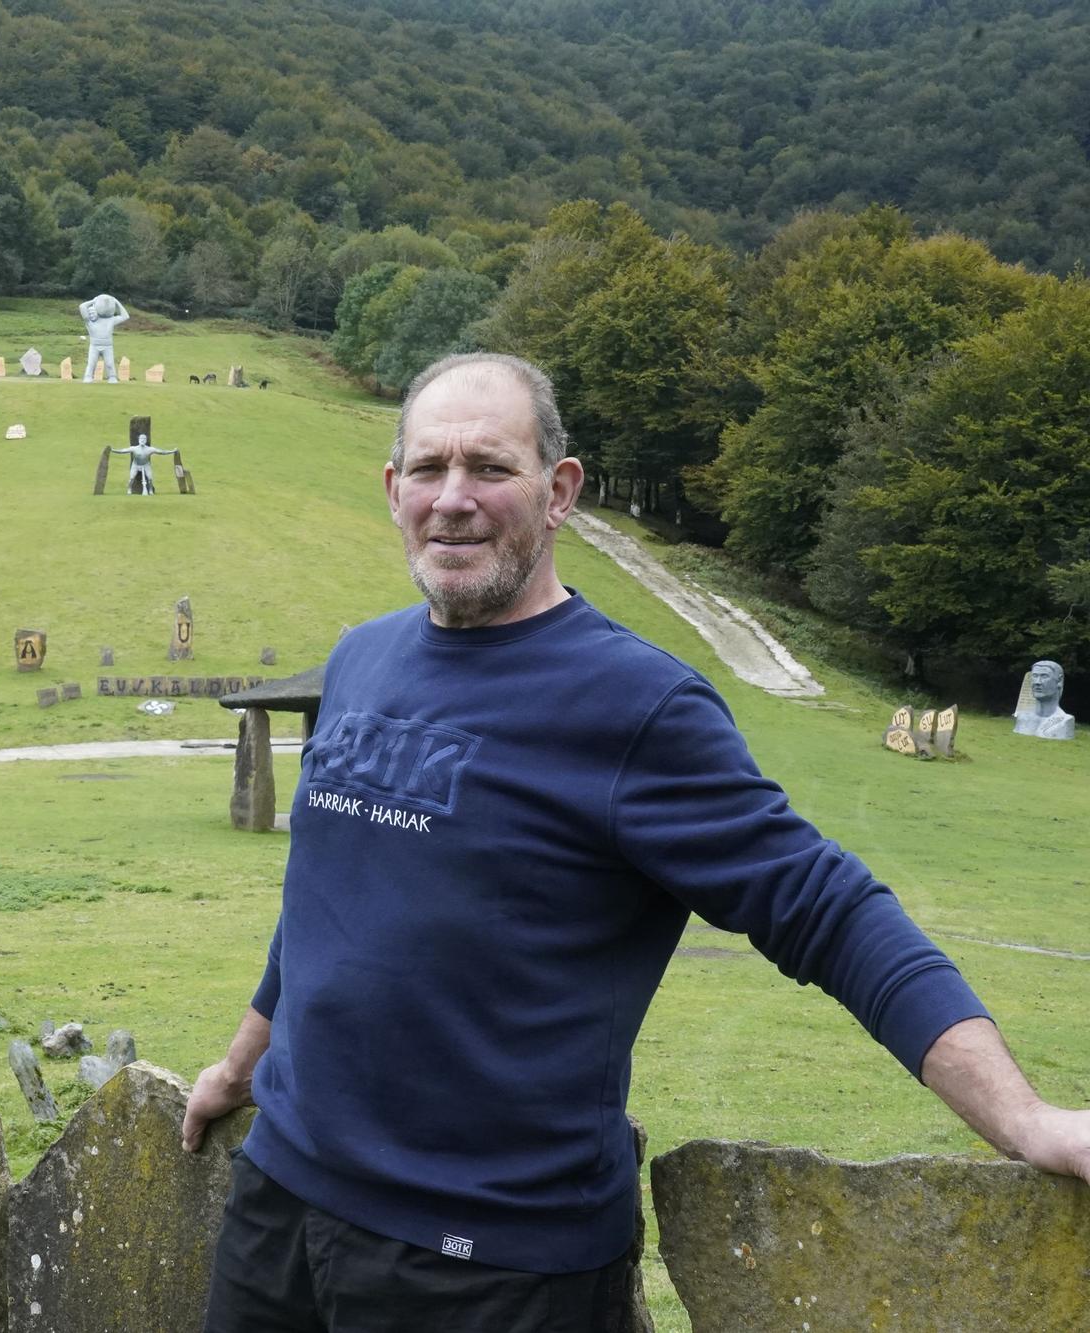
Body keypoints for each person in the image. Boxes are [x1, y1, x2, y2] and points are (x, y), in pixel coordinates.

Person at [179, 352, 1090, 1331]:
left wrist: (1022, 1117)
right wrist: (238, 1070)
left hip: (485, 1264)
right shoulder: (359, 660)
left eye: (488, 467)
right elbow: (321, 913)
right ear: (391, 488)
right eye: (427, 469)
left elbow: (828, 912)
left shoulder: (637, 706)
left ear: (558, 491)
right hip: (279, 1208)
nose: (452, 499)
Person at [78, 293, 129, 384]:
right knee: (91, 364)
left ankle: (112, 377)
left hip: (107, 346)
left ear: (97, 311)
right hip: (94, 345)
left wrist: (116, 302)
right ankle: (88, 377)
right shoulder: (89, 322)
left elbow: (125, 316)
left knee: (110, 364)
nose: (91, 315)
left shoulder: (110, 320)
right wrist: (94, 300)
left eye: (93, 312)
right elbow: (82, 306)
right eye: (90, 313)